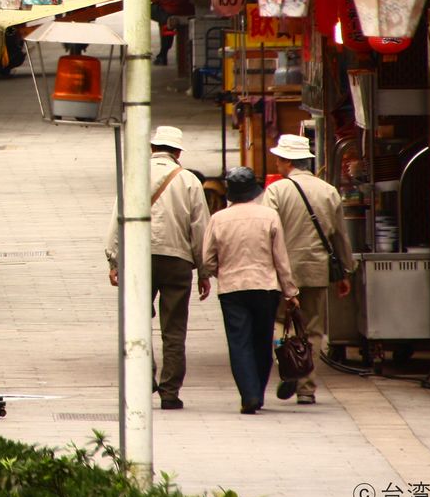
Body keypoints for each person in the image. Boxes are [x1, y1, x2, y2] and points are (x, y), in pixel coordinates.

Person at [105, 124, 211, 410]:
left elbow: (118, 217)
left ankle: (145, 378)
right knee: (174, 329)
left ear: (152, 148)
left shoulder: (134, 177)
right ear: (177, 151)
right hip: (178, 261)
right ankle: (170, 392)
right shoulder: (189, 180)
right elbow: (200, 228)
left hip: (139, 260)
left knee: (137, 323)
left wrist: (114, 259)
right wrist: (204, 270)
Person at [262, 133, 357, 404]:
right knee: (313, 329)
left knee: (281, 322)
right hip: (317, 268)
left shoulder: (276, 191)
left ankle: (287, 365)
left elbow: (266, 230)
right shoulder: (327, 191)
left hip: (284, 270)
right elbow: (340, 235)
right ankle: (306, 389)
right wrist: (346, 271)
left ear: (285, 161)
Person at [202, 167, 299, 414]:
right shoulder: (269, 216)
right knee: (262, 339)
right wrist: (290, 291)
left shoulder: (218, 218)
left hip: (232, 289)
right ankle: (258, 389)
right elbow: (281, 258)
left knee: (239, 341)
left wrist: (220, 271)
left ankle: (249, 394)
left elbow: (208, 259)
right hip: (265, 287)